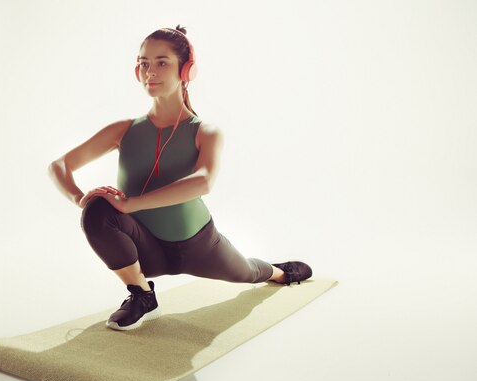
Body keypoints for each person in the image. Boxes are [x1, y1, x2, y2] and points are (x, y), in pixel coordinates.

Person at [48, 25, 313, 331]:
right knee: (96, 210)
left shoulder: (205, 132)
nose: (151, 72)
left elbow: (204, 181)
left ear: (187, 70)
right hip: (144, 246)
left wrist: (130, 204)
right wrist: (81, 198)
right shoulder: (123, 130)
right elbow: (59, 165)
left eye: (162, 63)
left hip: (199, 244)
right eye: (144, 63)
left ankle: (279, 273)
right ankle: (142, 296)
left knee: (248, 272)